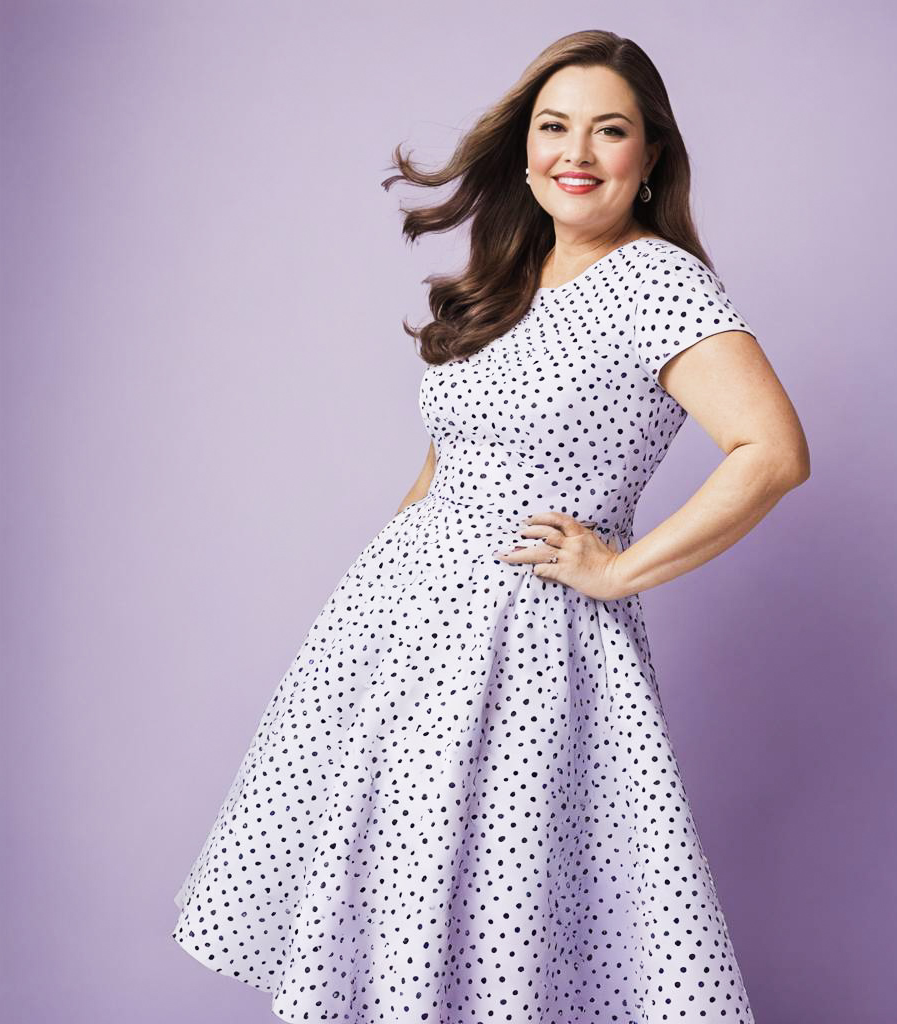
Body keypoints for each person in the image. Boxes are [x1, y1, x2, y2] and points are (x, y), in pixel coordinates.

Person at [171, 29, 809, 1024]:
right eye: (555, 127)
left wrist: (620, 569)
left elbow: (771, 451)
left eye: (609, 131)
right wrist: (376, 613)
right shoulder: (504, 278)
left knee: (502, 926)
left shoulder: (655, 281)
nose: (577, 152)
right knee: (401, 912)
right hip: (399, 640)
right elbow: (441, 469)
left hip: (527, 655)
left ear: (649, 161)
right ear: (524, 148)